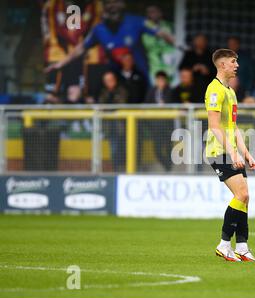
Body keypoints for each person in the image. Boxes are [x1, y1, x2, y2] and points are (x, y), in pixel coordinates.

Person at [205, 49, 255, 262]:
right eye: (233, 62)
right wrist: (233, 152)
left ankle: (242, 247)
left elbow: (233, 127)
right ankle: (224, 244)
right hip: (218, 151)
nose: (237, 65)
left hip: (230, 150)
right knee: (241, 195)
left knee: (245, 197)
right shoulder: (214, 90)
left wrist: (245, 152)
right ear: (222, 65)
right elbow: (215, 127)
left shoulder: (231, 91)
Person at [45, 0, 174, 85]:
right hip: (116, 82)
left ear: (122, 5)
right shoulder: (99, 29)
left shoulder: (137, 21)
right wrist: (61, 63)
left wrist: (180, 46)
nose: (112, 6)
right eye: (108, 3)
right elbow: (81, 48)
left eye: (115, 2)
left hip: (140, 79)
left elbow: (162, 33)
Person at [142, 71, 174, 172]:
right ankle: (167, 166)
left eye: (162, 80)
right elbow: (147, 103)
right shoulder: (151, 91)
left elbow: (173, 102)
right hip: (155, 125)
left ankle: (169, 168)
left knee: (169, 147)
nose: (160, 82)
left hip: (167, 125)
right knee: (157, 149)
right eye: (158, 80)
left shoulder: (170, 91)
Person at [98, 71, 128, 172]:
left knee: (123, 149)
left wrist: (108, 108)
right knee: (114, 150)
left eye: (111, 80)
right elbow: (101, 104)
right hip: (109, 127)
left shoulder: (121, 90)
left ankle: (126, 170)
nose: (109, 82)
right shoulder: (103, 92)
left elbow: (120, 104)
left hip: (121, 126)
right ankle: (116, 170)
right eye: (107, 80)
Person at [142, 5, 177, 83]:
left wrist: (161, 33)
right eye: (149, 13)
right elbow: (147, 45)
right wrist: (154, 30)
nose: (151, 14)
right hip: (155, 65)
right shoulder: (145, 28)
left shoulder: (169, 25)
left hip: (170, 64)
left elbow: (176, 41)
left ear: (160, 13)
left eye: (153, 12)